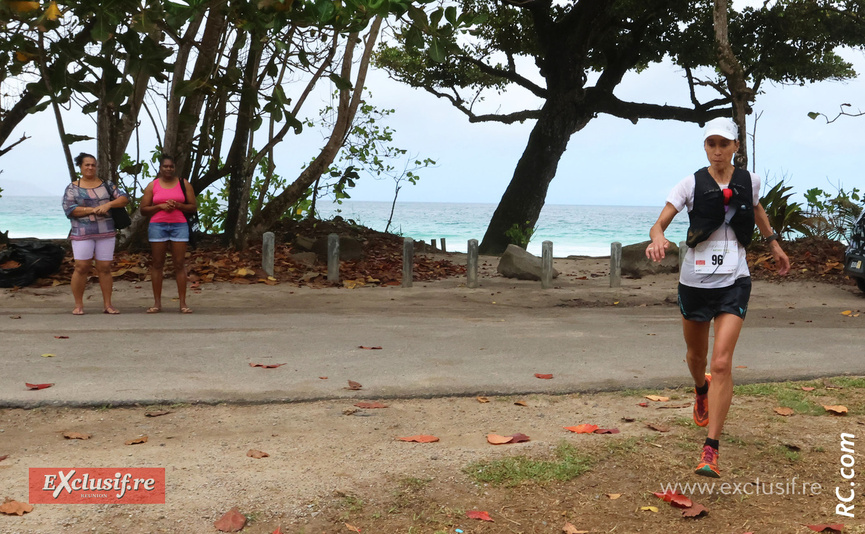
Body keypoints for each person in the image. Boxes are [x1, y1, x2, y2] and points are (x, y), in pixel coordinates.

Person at [646, 117, 790, 478]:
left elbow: (756, 208)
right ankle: (700, 388)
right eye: (711, 143)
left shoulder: (750, 181)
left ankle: (711, 450)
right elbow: (659, 222)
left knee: (722, 362)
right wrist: (657, 238)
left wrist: (773, 243)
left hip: (735, 280)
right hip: (695, 283)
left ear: (735, 147)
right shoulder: (690, 183)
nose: (718, 150)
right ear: (705, 147)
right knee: (697, 357)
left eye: (724, 143)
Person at [62, 152, 130, 315]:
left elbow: (124, 198)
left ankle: (108, 304)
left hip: (106, 231)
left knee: (105, 267)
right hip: (82, 232)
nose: (90, 167)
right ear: (80, 166)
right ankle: (78, 305)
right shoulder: (73, 187)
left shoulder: (106, 185)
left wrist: (108, 205)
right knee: (81, 267)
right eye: (87, 165)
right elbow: (69, 209)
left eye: (93, 165)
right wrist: (91, 210)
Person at [139, 155, 196, 314]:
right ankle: (157, 303)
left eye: (171, 166)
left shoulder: (184, 184)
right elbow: (143, 210)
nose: (168, 169)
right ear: (160, 168)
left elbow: (192, 207)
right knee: (158, 263)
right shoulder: (153, 185)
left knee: (179, 264)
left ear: (175, 168)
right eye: (165, 166)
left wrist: (178, 205)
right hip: (158, 225)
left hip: (179, 225)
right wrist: (161, 206)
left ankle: (183, 303)